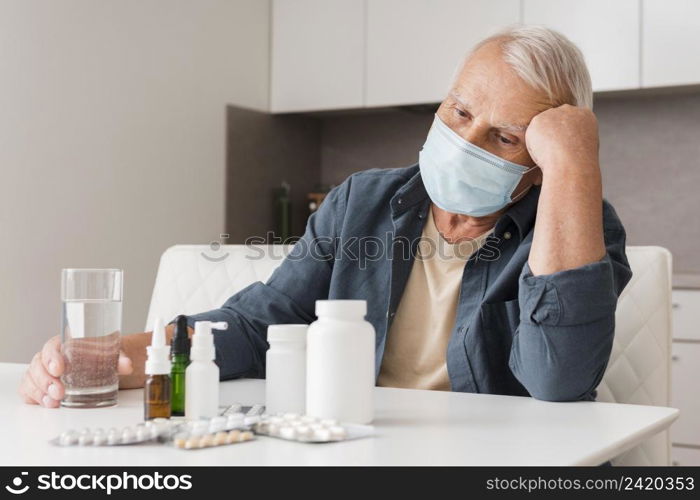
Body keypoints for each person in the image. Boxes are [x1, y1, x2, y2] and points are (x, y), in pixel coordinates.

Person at [20, 25, 631, 408]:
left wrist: (575, 167)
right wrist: (119, 353)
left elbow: (558, 383)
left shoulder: (578, 224)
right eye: (459, 110)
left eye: (505, 138)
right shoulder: (362, 201)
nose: (467, 140)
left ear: (540, 164)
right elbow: (263, 323)